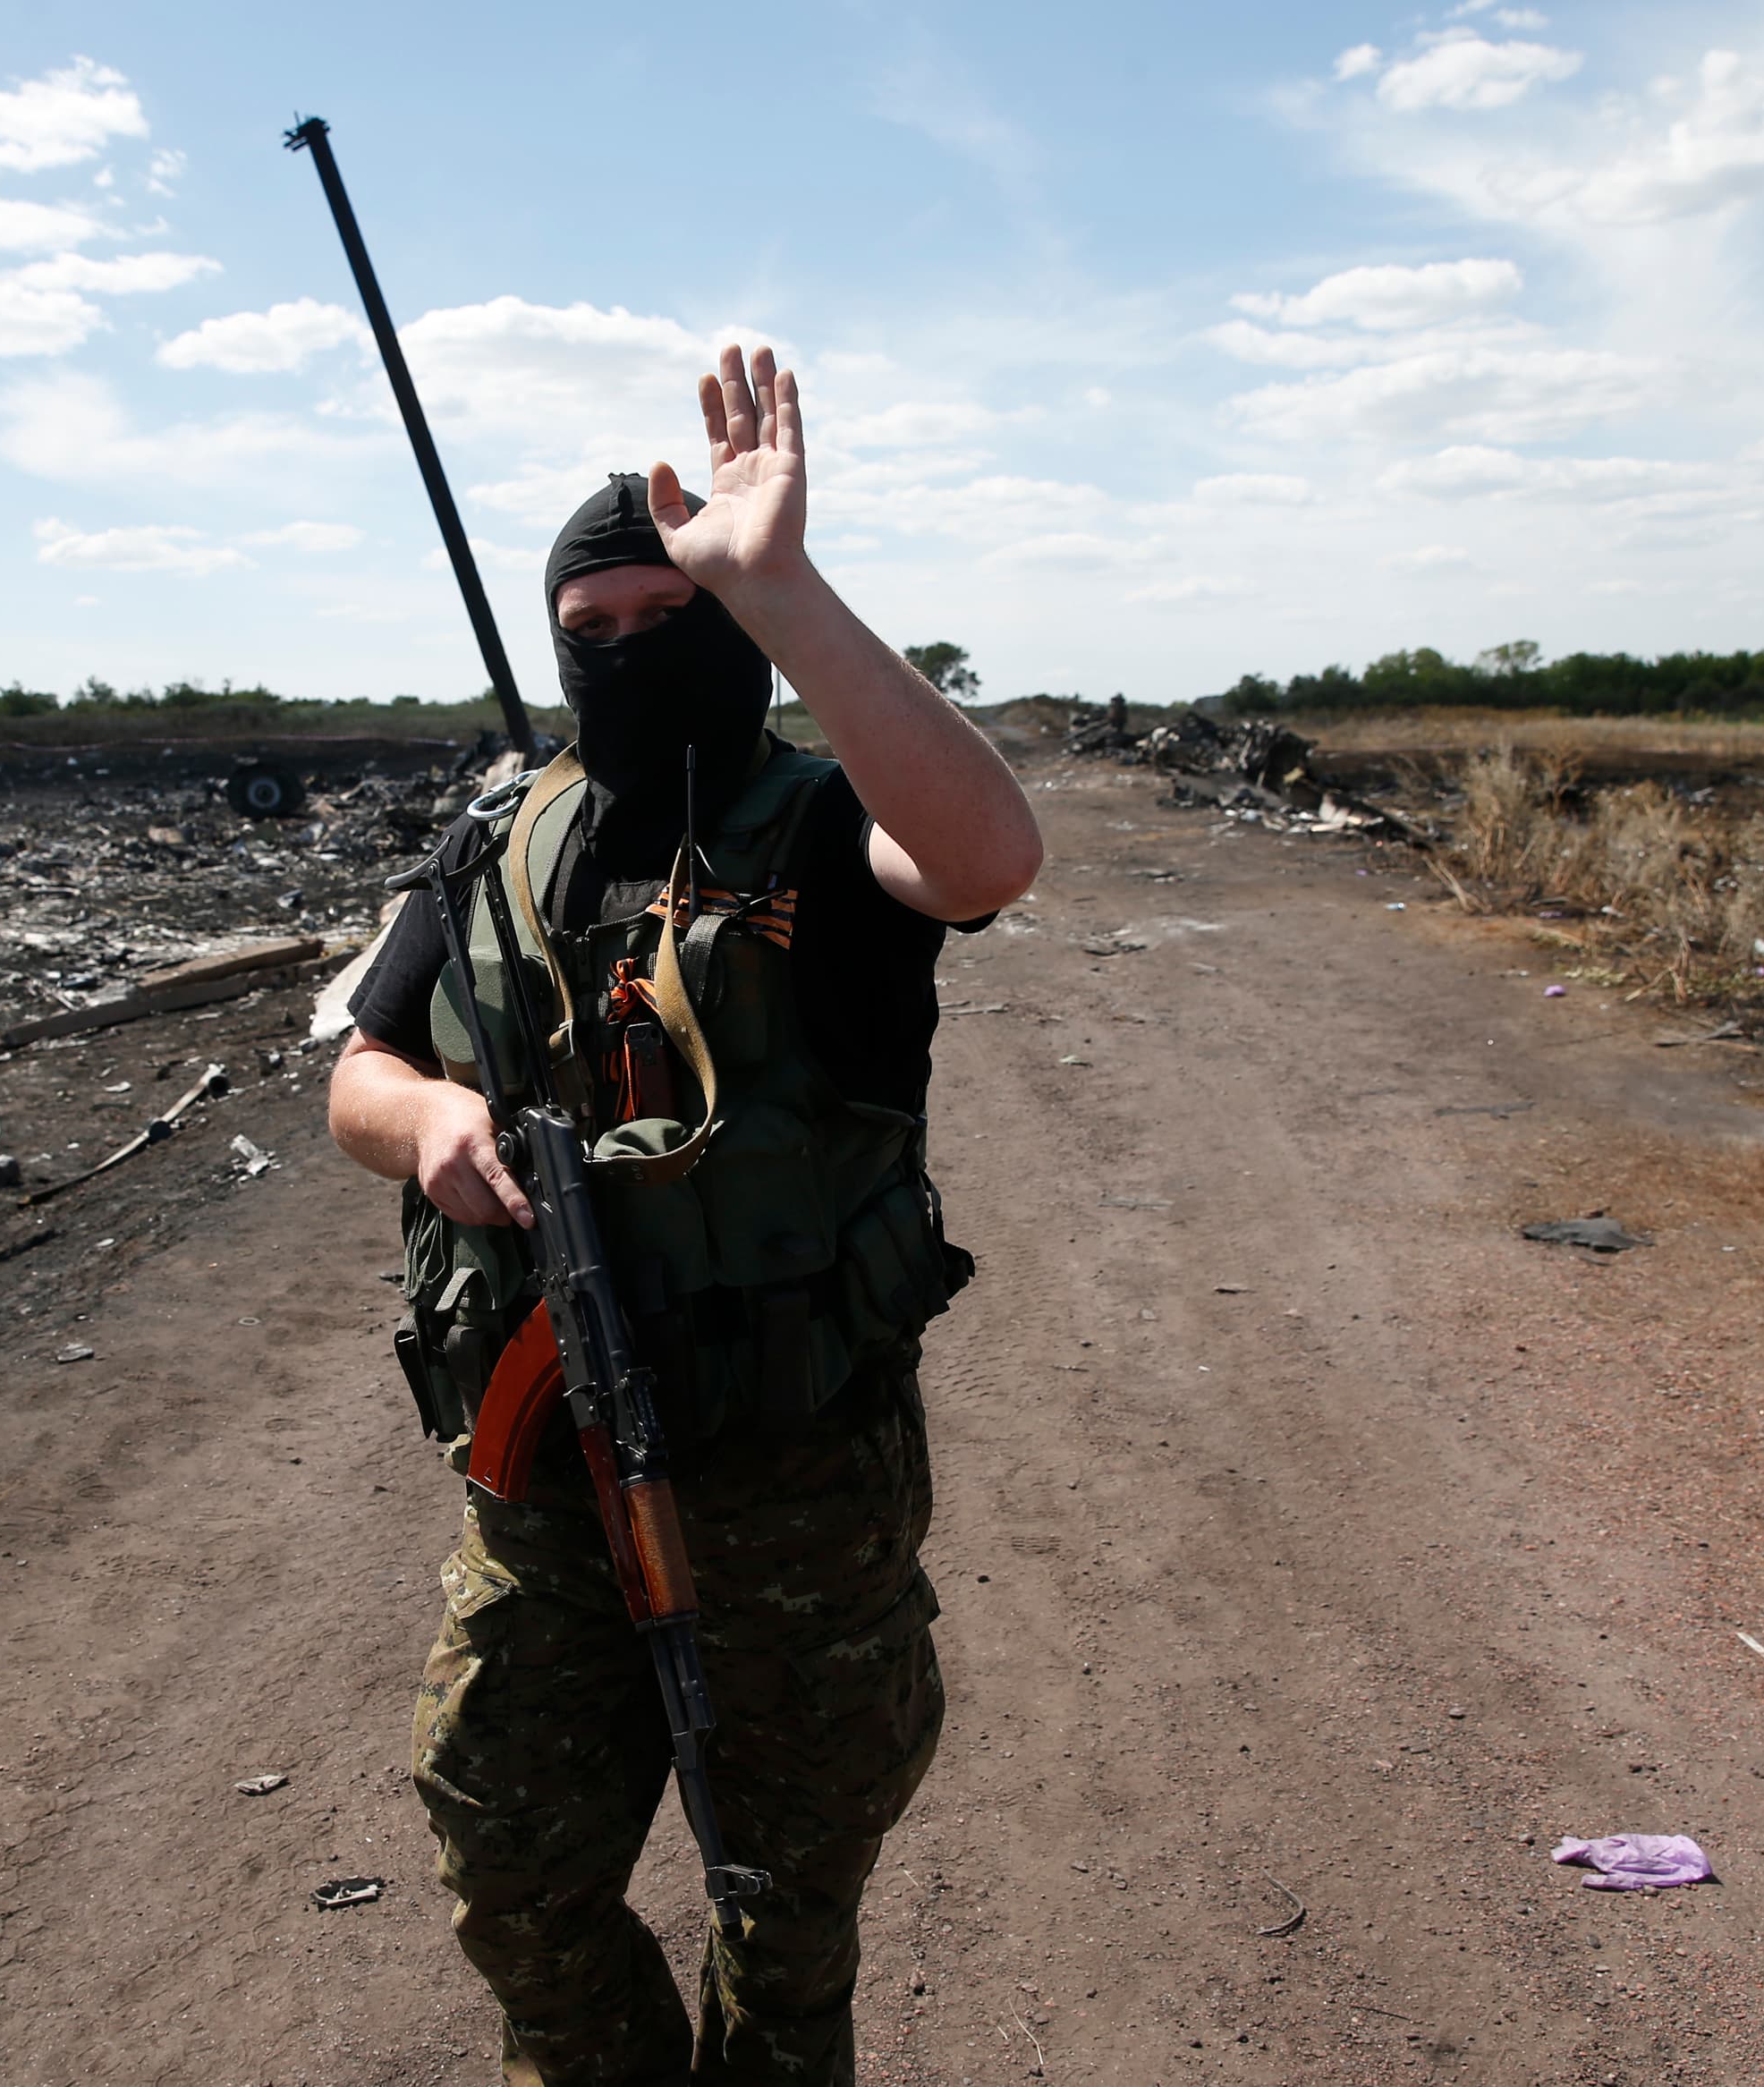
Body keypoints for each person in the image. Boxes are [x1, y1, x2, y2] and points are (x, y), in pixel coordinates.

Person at [327, 344, 1043, 2085]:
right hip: (549, 1475)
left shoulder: (820, 832)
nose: (637, 649)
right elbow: (355, 1056)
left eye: (679, 611)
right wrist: (424, 1118)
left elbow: (982, 860)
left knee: (782, 1907)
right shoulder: (505, 834)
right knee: (510, 1869)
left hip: (793, 1481)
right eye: (601, 623)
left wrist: (779, 587)